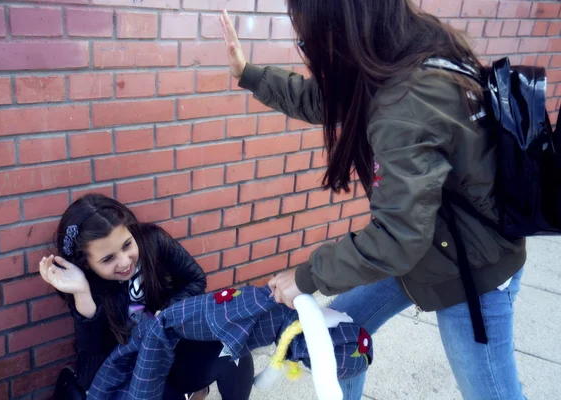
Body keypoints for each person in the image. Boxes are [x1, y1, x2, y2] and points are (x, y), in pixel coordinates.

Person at [219, 0, 526, 398]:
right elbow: (324, 102)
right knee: (340, 332)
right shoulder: (409, 56)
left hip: (469, 272)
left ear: (342, 29)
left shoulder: (407, 104)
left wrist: (305, 277)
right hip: (431, 244)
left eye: (308, 40)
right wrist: (249, 75)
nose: (308, 50)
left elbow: (397, 237)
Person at [40, 194, 254, 400]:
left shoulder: (153, 242)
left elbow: (195, 279)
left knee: (234, 349)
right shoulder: (84, 284)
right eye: (108, 259)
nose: (124, 262)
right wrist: (82, 293)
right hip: (131, 373)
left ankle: (195, 390)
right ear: (86, 263)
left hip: (172, 350)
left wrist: (169, 311)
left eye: (126, 245)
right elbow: (95, 360)